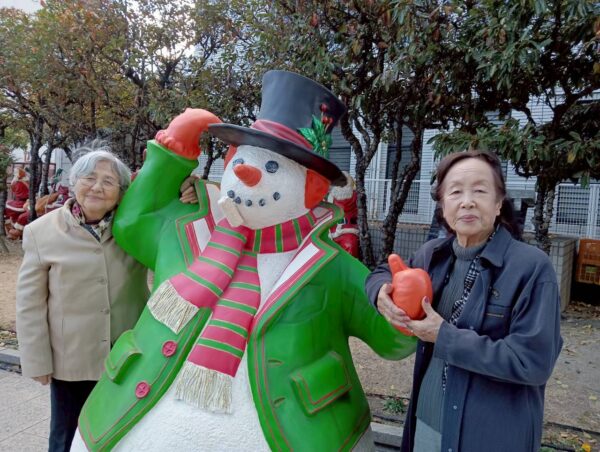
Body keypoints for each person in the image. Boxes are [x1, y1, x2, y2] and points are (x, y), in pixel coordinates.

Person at [365, 150, 563, 452]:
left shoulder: (531, 268)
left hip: (489, 437)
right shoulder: (433, 255)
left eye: (480, 191)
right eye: (455, 191)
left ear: (498, 203)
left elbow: (532, 362)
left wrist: (444, 336)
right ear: (443, 205)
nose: (467, 201)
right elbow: (381, 273)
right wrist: (380, 293)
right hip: (427, 422)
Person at [15, 143, 150, 452]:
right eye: (89, 178)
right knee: (65, 436)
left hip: (127, 356)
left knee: (123, 434)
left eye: (108, 181)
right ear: (74, 182)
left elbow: (170, 206)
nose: (97, 187)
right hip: (71, 358)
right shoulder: (40, 232)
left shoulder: (135, 228)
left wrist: (189, 187)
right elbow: (30, 304)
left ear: (121, 192)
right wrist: (37, 360)